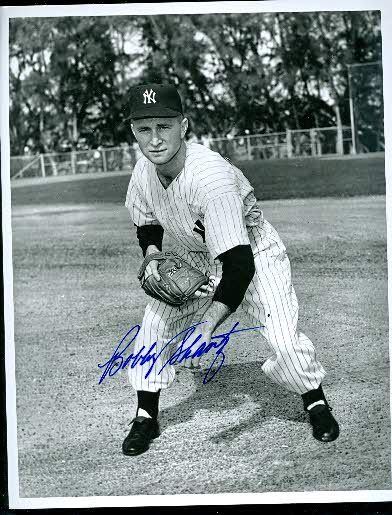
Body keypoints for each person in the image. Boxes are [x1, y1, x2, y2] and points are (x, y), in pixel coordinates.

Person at [122, 83, 339, 456]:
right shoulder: (144, 170)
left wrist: (207, 326)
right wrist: (153, 253)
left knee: (285, 344)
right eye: (144, 129)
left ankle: (315, 401)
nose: (155, 139)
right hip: (198, 255)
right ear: (133, 132)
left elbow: (239, 266)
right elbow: (146, 220)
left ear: (184, 126)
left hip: (253, 252)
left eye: (164, 127)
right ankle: (145, 414)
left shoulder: (211, 177)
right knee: (154, 325)